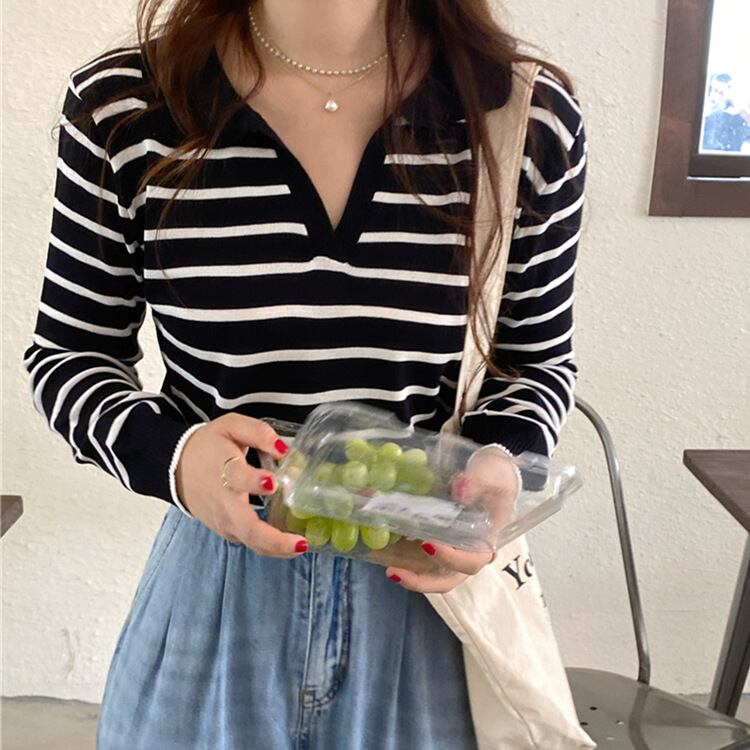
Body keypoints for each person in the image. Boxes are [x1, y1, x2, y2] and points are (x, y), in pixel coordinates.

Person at [22, 1, 586, 747]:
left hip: (428, 598)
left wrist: (496, 463)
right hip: (216, 595)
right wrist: (178, 460)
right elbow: (70, 356)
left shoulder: (521, 114)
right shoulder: (126, 106)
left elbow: (533, 362)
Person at [702, 73, 750, 153]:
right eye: (713, 90)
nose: (714, 95)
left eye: (720, 92)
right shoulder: (708, 111)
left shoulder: (739, 113)